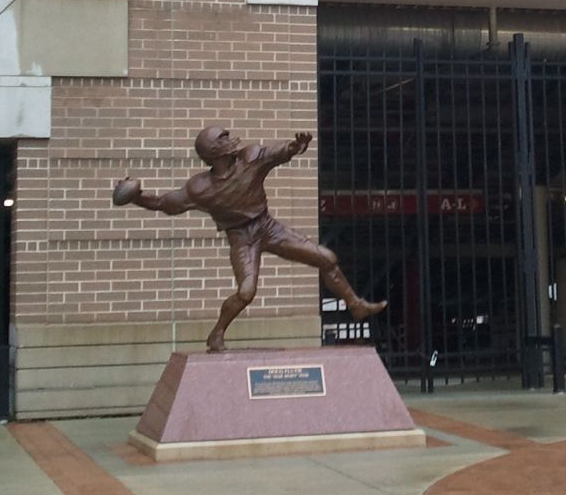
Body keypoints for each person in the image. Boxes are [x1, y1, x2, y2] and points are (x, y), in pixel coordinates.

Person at [112, 125, 386, 352]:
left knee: (327, 258)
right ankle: (217, 334)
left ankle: (355, 305)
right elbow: (163, 203)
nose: (231, 137)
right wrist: (136, 197)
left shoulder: (251, 158)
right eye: (223, 137)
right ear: (213, 151)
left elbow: (277, 153)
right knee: (246, 292)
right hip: (241, 238)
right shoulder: (200, 188)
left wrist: (294, 147)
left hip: (268, 227)